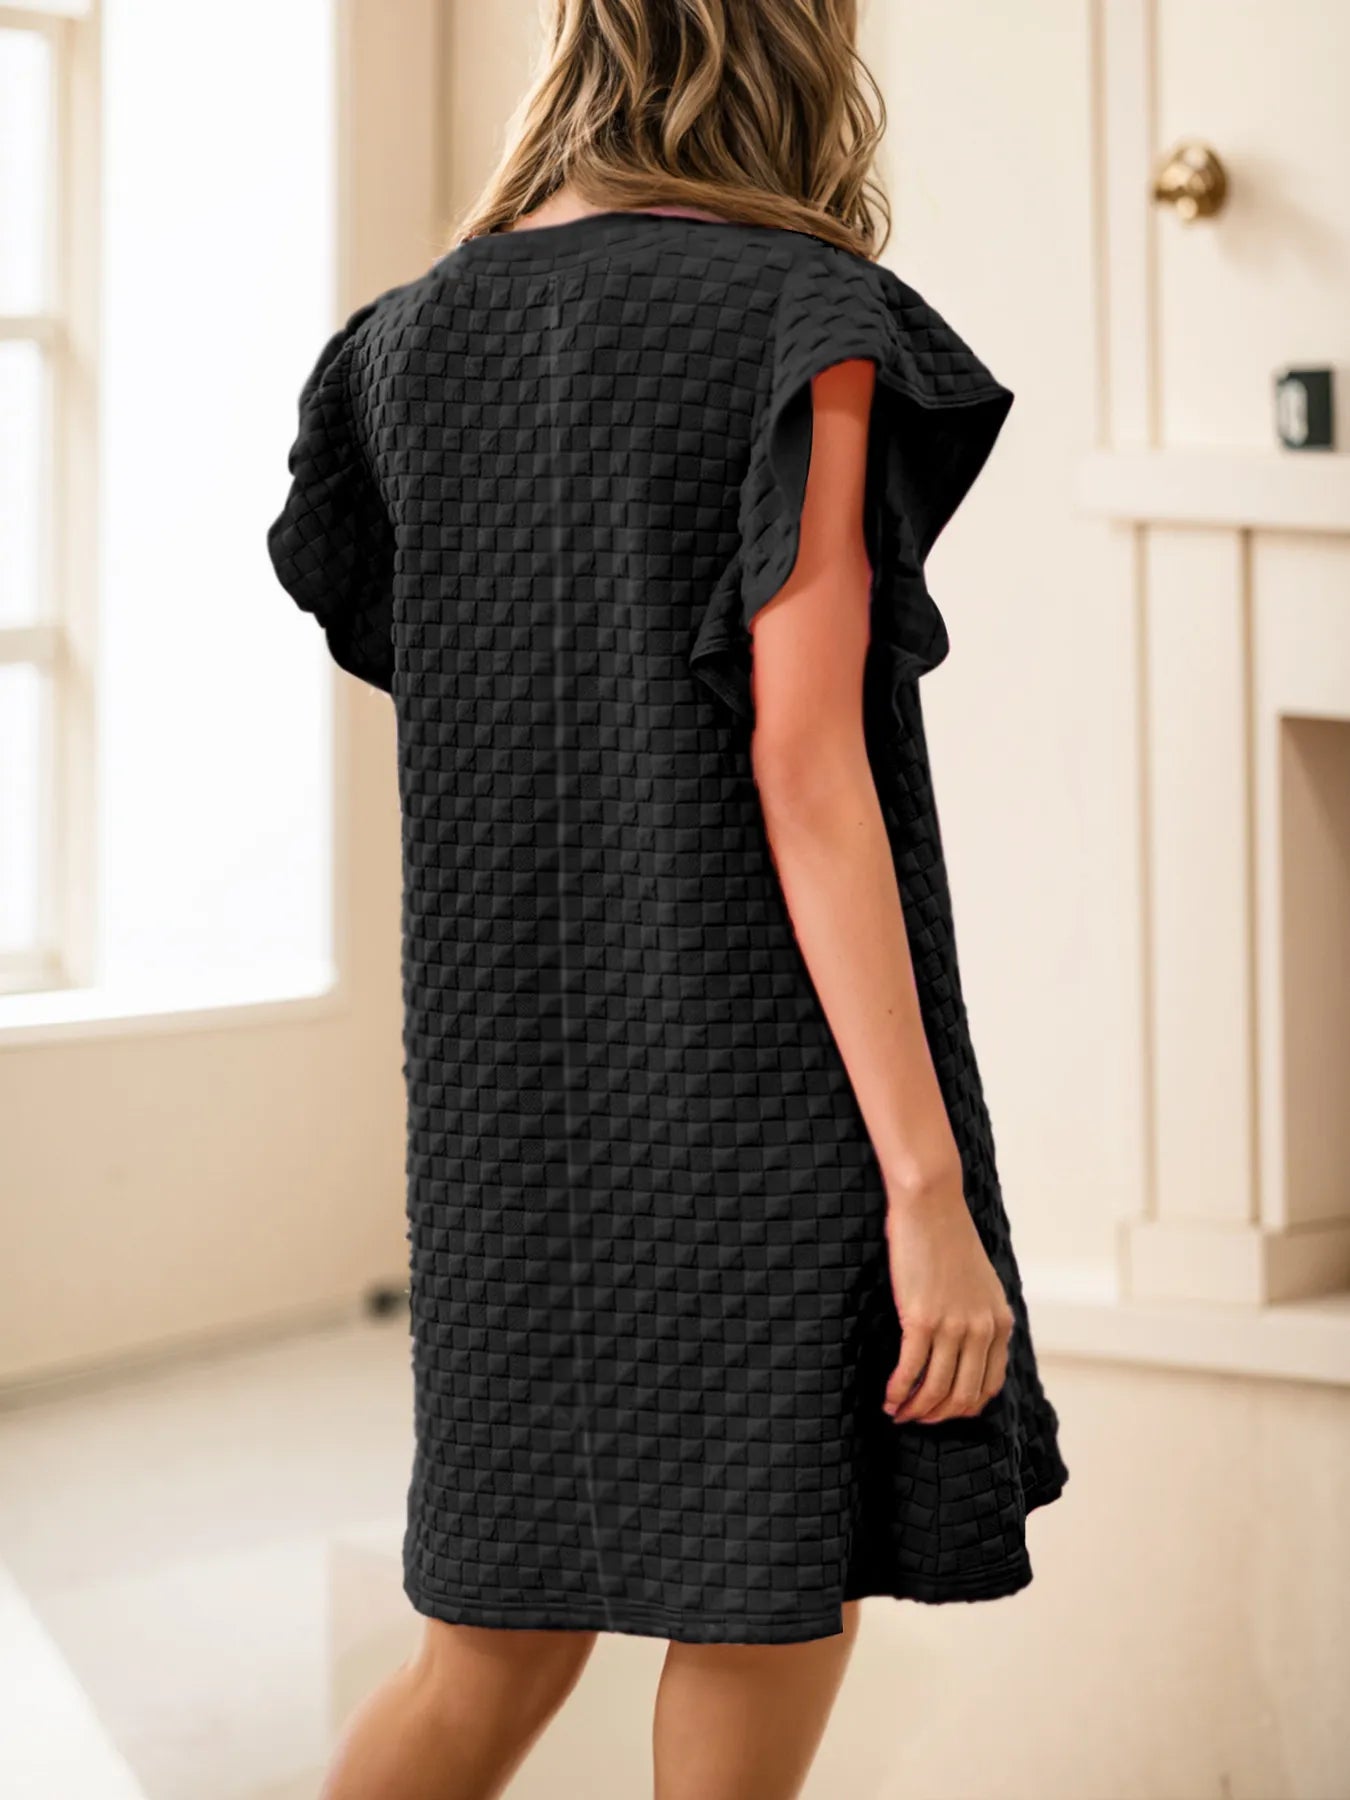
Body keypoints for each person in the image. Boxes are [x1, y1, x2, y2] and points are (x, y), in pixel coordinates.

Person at [267, 2, 1070, 1795]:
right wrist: (925, 1188)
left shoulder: (402, 343)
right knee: (768, 1598)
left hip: (503, 1115)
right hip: (764, 1093)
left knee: (485, 1651)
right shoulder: (804, 318)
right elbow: (805, 766)